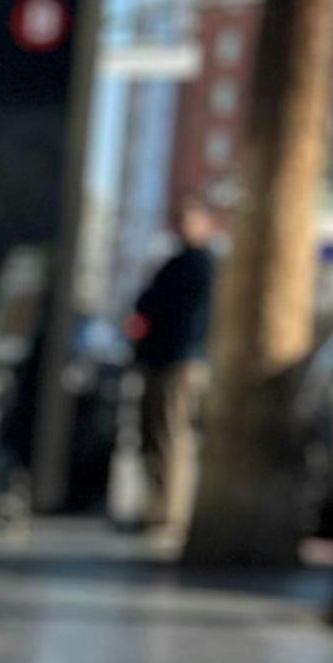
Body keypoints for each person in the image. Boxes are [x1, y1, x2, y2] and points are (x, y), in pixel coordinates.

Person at [127, 199, 220, 540]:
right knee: (156, 436)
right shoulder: (178, 261)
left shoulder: (201, 265)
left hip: (180, 362)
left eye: (190, 219)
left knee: (171, 436)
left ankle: (170, 514)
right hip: (163, 359)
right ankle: (157, 509)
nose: (183, 225)